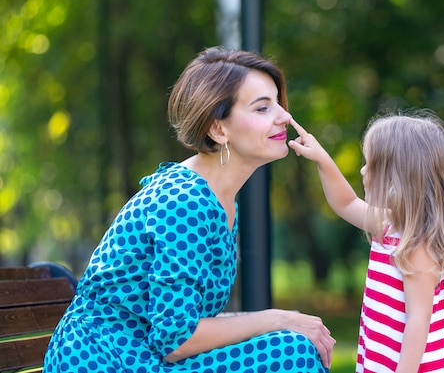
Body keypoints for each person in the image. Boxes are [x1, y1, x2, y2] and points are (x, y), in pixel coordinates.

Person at [44, 47, 335, 373]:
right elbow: (176, 338)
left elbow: (183, 323)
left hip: (142, 351)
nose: (283, 116)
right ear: (218, 129)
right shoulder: (185, 201)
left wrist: (280, 321)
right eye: (263, 108)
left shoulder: (216, 197)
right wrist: (279, 318)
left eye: (278, 104)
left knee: (290, 342)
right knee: (291, 351)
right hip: (107, 359)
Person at [288, 110, 444, 373]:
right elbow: (345, 203)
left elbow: (418, 320)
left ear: (398, 179)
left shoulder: (417, 245)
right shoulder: (390, 226)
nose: (362, 170)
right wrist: (321, 158)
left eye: (371, 163)